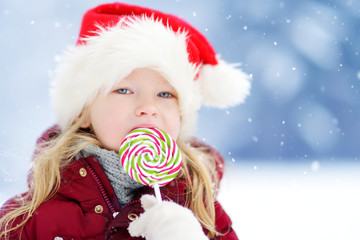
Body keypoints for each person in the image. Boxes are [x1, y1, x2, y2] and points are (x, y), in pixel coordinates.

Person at [0, 2, 250, 240]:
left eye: (165, 94)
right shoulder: (30, 219)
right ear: (83, 112)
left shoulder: (201, 210)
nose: (148, 108)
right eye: (124, 90)